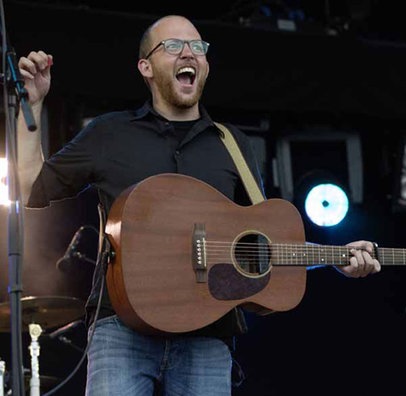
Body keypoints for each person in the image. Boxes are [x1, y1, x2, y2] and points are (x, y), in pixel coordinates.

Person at [16, 15, 381, 395]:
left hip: (208, 335)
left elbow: (260, 244)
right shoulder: (109, 133)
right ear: (146, 67)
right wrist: (33, 103)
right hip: (122, 327)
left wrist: (335, 256)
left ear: (205, 65)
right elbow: (31, 188)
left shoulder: (233, 145)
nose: (188, 53)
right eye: (173, 46)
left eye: (198, 47)